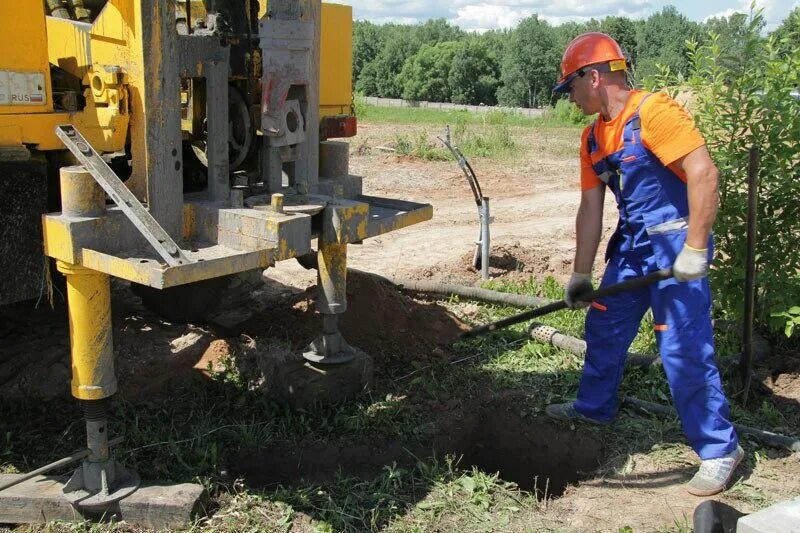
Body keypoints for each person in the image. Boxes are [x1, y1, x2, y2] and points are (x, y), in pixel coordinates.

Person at [545, 32, 743, 497]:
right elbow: (590, 208)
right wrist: (581, 274)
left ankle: (719, 449)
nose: (569, 96)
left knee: (682, 348)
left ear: (593, 76)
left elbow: (703, 172)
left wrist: (695, 247)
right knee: (605, 326)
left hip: (676, 245)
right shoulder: (593, 137)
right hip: (633, 248)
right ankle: (594, 407)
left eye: (570, 87)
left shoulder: (654, 112)